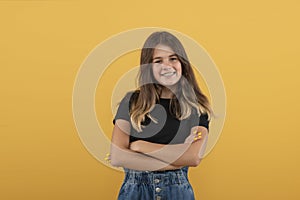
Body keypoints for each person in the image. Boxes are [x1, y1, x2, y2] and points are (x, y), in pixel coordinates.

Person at [110, 31, 213, 200]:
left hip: (177, 193)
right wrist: (176, 159)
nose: (167, 66)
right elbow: (117, 156)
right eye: (158, 61)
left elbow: (193, 157)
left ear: (182, 63)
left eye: (173, 58)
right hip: (135, 193)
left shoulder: (196, 107)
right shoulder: (131, 102)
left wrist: (140, 147)